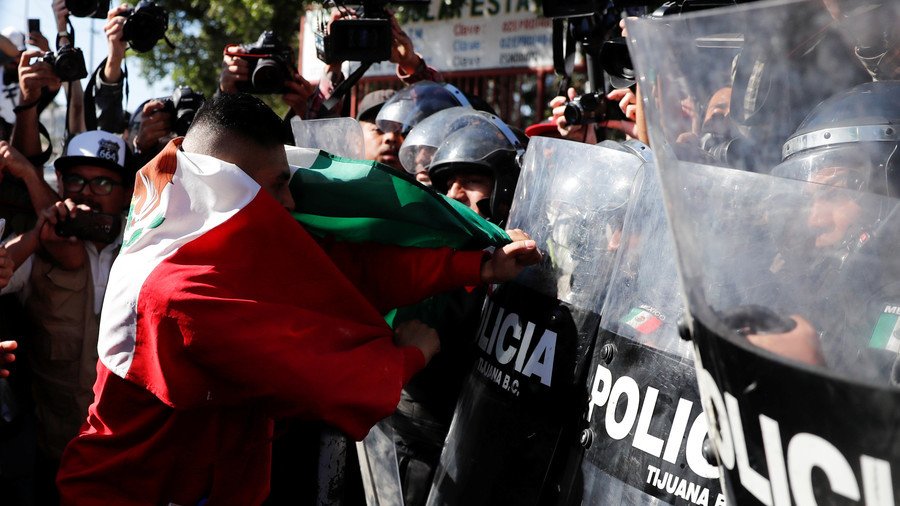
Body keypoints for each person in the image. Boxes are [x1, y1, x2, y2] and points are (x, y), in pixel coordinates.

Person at [56, 92, 540, 505]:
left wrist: (476, 265)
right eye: (277, 186)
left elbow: (336, 273)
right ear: (230, 184)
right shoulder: (181, 287)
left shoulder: (201, 221)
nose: (290, 202)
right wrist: (412, 352)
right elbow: (336, 386)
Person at [1, 129, 132, 504]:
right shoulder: (41, 249)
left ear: (126, 193)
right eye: (75, 180)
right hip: (55, 455)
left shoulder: (148, 248)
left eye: (103, 182)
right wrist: (35, 238)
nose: (86, 192)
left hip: (127, 456)